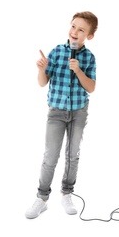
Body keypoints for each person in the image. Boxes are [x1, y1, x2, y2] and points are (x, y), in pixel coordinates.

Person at [25, 11, 98, 219]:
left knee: (72, 154)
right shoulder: (57, 52)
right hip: (56, 112)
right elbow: (42, 82)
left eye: (81, 29)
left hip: (78, 112)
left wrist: (78, 71)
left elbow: (91, 87)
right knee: (50, 155)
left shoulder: (89, 58)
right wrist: (42, 69)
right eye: (73, 26)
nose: (75, 32)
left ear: (89, 36)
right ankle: (42, 198)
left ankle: (67, 193)